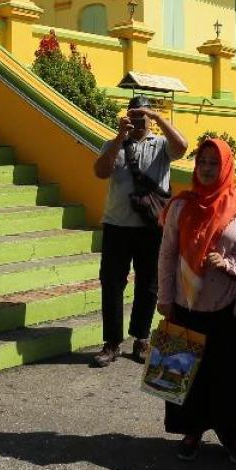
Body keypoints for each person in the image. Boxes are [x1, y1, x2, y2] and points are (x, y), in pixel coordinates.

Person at [156, 137, 236, 464]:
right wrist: (164, 297)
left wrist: (230, 263)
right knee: (186, 373)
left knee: (228, 376)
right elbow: (167, 254)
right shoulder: (180, 205)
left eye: (214, 163)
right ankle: (191, 431)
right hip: (186, 305)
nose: (206, 169)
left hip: (228, 307)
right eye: (202, 162)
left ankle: (231, 434)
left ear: (226, 166)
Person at [91, 96, 188, 367]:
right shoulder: (113, 143)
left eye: (142, 116)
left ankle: (141, 338)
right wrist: (119, 138)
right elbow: (100, 172)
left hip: (151, 227)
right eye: (133, 115)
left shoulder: (161, 145)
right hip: (116, 226)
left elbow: (182, 147)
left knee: (148, 284)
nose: (138, 121)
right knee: (111, 283)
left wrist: (158, 118)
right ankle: (111, 342)